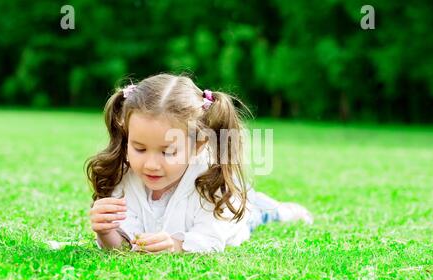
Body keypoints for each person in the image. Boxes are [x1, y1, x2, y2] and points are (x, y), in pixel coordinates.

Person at [85, 73, 313, 254]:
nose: (151, 164)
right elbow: (124, 246)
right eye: (139, 148)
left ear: (198, 146)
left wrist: (176, 246)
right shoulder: (124, 178)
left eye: (168, 151)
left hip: (233, 219)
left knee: (257, 211)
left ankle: (285, 211)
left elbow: (211, 238)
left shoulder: (214, 186)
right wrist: (106, 231)